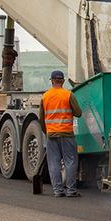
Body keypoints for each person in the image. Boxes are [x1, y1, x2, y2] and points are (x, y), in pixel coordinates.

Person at [39, 70, 83, 198]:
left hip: (52, 135)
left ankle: (58, 191)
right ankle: (71, 190)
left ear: (52, 81)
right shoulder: (68, 95)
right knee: (70, 162)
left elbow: (41, 118)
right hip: (67, 133)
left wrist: (47, 131)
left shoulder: (45, 96)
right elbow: (78, 113)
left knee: (54, 163)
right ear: (63, 81)